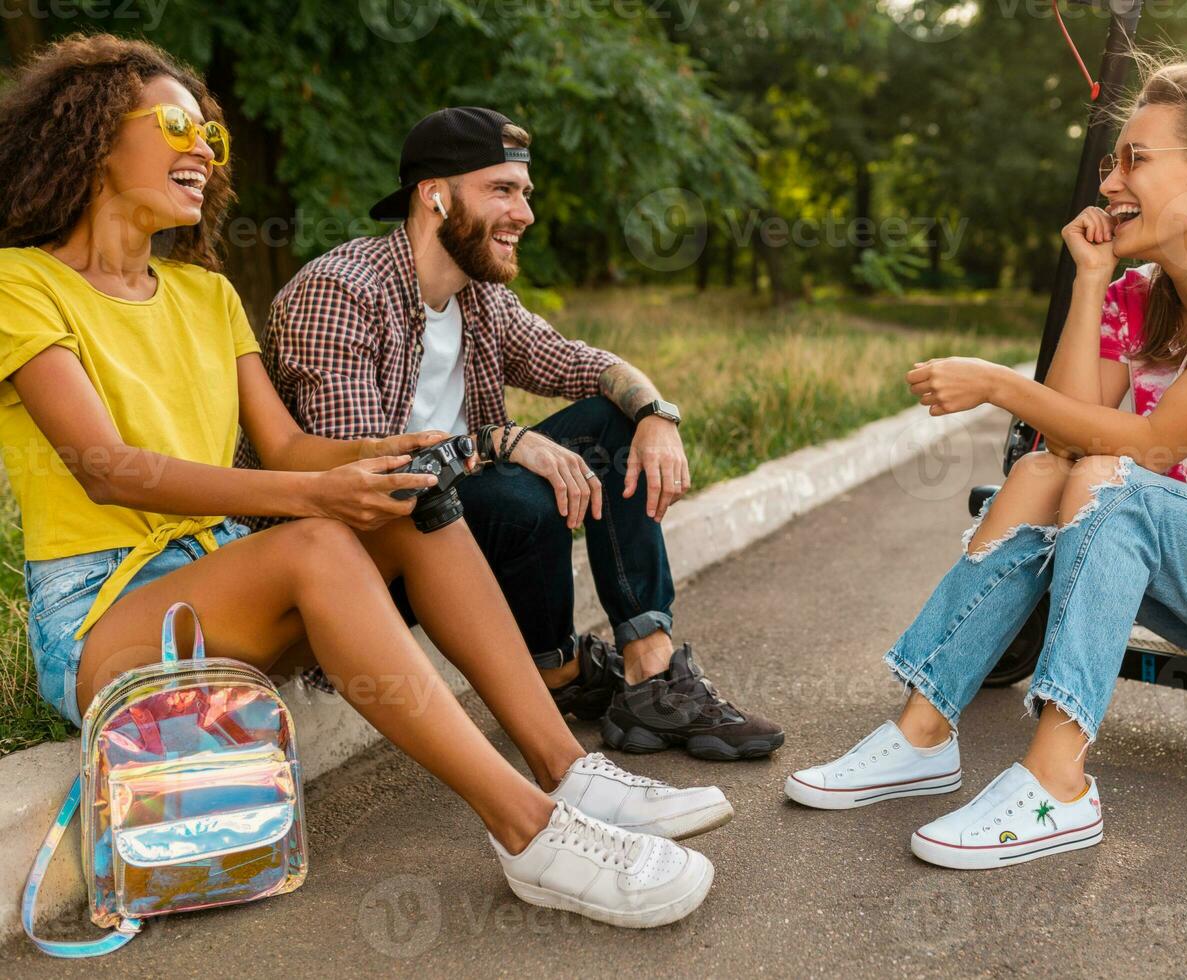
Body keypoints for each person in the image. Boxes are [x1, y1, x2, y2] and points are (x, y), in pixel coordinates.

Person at [1, 33, 726, 929]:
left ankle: (569, 771)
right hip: (105, 619)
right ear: (92, 138)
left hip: (222, 585)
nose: (201, 150)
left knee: (411, 497)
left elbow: (291, 447)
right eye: (178, 126)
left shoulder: (205, 294)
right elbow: (109, 470)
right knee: (314, 540)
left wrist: (396, 457)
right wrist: (317, 496)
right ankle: (531, 833)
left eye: (212, 138)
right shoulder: (21, 285)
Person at [782, 33, 1187, 870]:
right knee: (1043, 471)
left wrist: (1000, 381)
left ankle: (1058, 783)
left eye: (1135, 160)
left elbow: (1151, 444)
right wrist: (1092, 281)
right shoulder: (1139, 295)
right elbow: (1066, 432)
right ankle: (922, 734)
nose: (1110, 183)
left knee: (1118, 480)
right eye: (1112, 163)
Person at [234, 106, 783, 761]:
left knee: (612, 425)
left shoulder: (479, 298)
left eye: (525, 194)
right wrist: (499, 442)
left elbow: (583, 363)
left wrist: (657, 414)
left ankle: (650, 674)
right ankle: (557, 672)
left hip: (451, 517)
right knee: (521, 495)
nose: (524, 213)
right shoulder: (339, 291)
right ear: (434, 196)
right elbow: (362, 483)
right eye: (502, 190)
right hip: (365, 555)